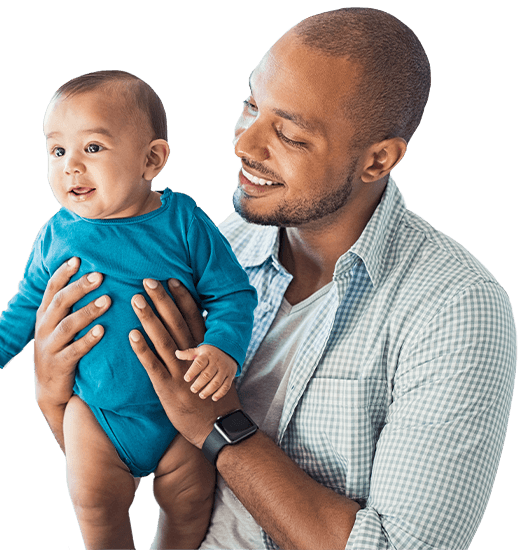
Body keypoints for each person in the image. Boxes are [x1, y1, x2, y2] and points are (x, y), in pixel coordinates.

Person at [28, 8, 517, 550]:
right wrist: (55, 395)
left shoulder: (455, 308)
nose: (244, 143)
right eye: (251, 105)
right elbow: (135, 455)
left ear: (377, 160)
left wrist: (221, 426)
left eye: (288, 134)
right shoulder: (216, 246)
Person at [0, 70, 258, 549]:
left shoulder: (184, 221)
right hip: (97, 415)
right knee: (95, 504)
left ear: (151, 160)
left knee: (191, 500)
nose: (71, 166)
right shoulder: (55, 234)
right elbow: (28, 304)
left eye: (92, 148)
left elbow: (233, 294)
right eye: (57, 150)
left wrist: (222, 348)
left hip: (183, 413)